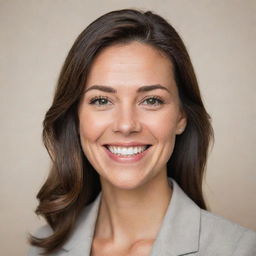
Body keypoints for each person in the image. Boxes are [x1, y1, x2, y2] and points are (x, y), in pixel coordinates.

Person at [28, 9, 256, 256]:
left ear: (181, 116)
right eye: (102, 101)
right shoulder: (43, 247)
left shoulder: (239, 249)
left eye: (152, 100)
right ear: (76, 116)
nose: (126, 125)